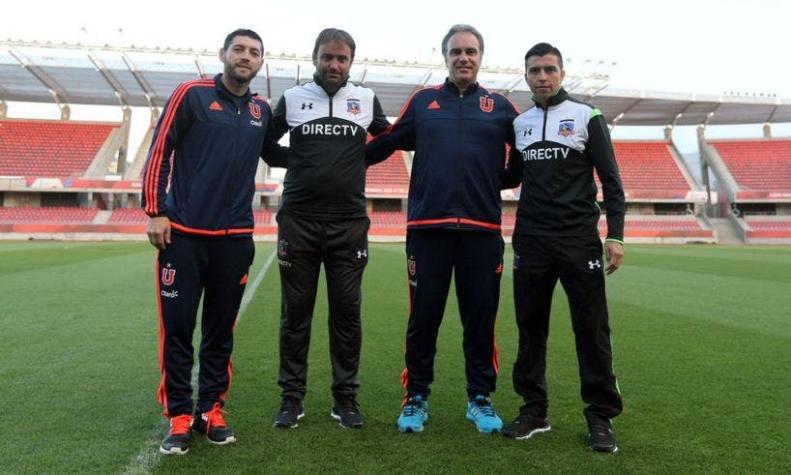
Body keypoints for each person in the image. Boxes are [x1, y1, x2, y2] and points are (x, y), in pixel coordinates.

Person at [366, 24, 519, 434]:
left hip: (482, 232)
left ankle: (480, 398)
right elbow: (390, 141)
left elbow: (523, 154)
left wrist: (496, 181)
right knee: (423, 320)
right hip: (428, 231)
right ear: (445, 57)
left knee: (481, 320)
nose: (463, 57)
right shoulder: (423, 101)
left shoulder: (501, 106)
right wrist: (345, 159)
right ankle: (416, 398)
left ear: (480, 57)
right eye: (456, 51)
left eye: (470, 51)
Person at [141, 28, 287, 455]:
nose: (246, 56)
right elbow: (160, 150)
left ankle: (210, 410)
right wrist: (156, 211)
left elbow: (277, 155)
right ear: (223, 53)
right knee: (179, 329)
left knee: (221, 332)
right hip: (184, 236)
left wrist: (331, 152)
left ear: (261, 63)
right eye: (239, 49)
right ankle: (179, 416)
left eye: (254, 52)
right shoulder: (192, 94)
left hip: (235, 239)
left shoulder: (261, 109)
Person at [501, 42, 625, 453]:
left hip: (578, 240)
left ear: (562, 73)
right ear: (526, 76)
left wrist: (615, 235)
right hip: (531, 241)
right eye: (535, 71)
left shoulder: (587, 116)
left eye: (549, 69)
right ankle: (534, 410)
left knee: (591, 329)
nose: (542, 77)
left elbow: (611, 180)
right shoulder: (520, 124)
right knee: (530, 328)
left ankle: (600, 415)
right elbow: (511, 177)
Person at [270, 28, 389, 430]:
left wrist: (357, 158)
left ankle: (345, 398)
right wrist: (298, 161)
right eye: (327, 57)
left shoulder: (366, 99)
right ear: (315, 58)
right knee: (295, 315)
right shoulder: (293, 98)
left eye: (341, 58)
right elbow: (265, 144)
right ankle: (291, 398)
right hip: (298, 221)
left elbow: (388, 139)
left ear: (351, 62)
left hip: (348, 224)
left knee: (346, 313)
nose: (334, 65)